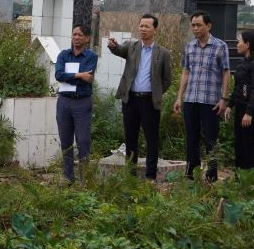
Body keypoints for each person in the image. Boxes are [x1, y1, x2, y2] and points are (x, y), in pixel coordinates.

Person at [107, 14, 174, 181]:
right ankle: (130, 174)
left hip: (150, 101)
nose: (143, 29)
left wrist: (156, 92)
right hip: (130, 100)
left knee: (152, 139)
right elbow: (118, 49)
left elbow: (167, 80)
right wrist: (113, 46)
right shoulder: (132, 47)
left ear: (155, 29)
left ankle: (151, 176)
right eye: (141, 26)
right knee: (130, 138)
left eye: (147, 26)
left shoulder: (163, 53)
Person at [173, 11, 231, 182]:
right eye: (193, 25)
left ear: (208, 26)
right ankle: (191, 172)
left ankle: (212, 175)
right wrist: (179, 97)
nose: (195, 28)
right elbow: (185, 72)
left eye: (199, 25)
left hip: (211, 100)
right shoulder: (190, 47)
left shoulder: (220, 46)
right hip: (191, 99)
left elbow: (226, 73)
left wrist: (224, 98)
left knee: (211, 138)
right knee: (191, 136)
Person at [55, 24, 98, 183]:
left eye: (80, 35)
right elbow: (59, 75)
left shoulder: (91, 56)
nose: (76, 38)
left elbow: (89, 76)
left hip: (82, 102)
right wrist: (79, 74)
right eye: (74, 34)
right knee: (66, 141)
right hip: (64, 102)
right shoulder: (63, 55)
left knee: (83, 140)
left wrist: (73, 75)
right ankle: (68, 176)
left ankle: (85, 177)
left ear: (86, 38)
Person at [225, 30, 254, 170]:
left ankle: (250, 177)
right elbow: (238, 87)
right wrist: (230, 105)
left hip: (251, 110)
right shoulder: (243, 62)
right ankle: (239, 175)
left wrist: (249, 112)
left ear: (247, 44)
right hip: (240, 107)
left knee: (249, 143)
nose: (237, 44)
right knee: (239, 142)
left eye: (239, 41)